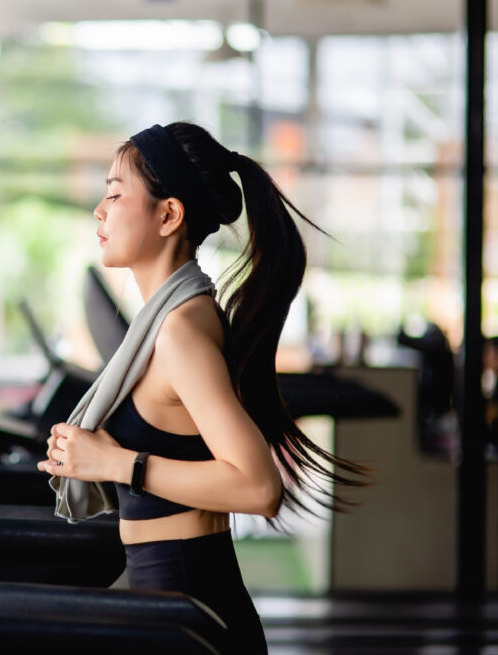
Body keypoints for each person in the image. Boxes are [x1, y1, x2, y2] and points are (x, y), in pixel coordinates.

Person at [37, 122, 367, 653]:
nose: (100, 210)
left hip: (190, 605)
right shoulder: (172, 320)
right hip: (174, 598)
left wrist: (116, 463)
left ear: (168, 215)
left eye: (115, 194)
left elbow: (259, 488)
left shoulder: (179, 332)